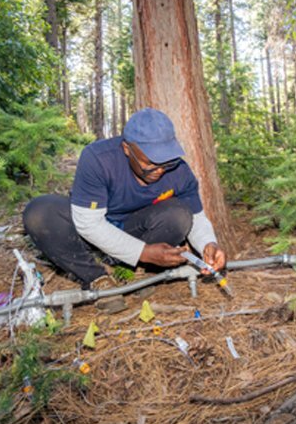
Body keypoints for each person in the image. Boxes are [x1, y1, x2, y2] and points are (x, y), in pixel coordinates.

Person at [22, 108, 227, 289]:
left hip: (134, 229)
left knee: (180, 215)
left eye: (166, 162)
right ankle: (96, 277)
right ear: (127, 149)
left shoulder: (179, 171)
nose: (160, 170)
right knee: (40, 212)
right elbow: (89, 224)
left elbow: (197, 216)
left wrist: (208, 244)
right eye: (151, 162)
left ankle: (127, 271)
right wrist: (144, 252)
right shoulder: (98, 159)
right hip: (88, 231)